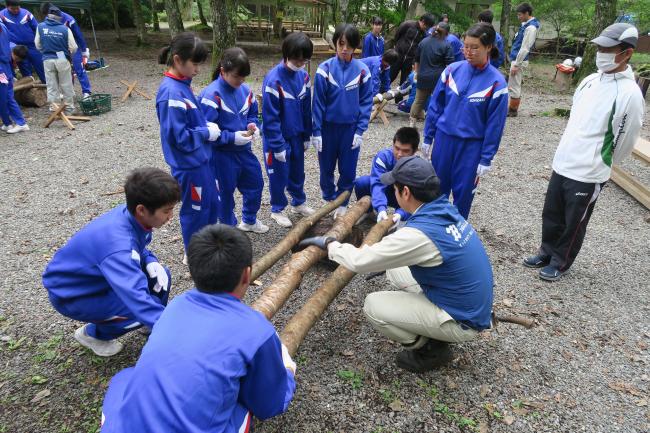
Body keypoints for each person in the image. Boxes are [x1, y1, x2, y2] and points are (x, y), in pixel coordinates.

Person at [299, 156, 494, 372]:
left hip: (464, 319)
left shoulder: (419, 235)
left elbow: (359, 261)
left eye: (395, 188)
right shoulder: (444, 209)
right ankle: (434, 326)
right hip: (469, 301)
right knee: (395, 268)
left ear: (406, 193)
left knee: (374, 305)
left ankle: (430, 349)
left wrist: (330, 245)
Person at [100, 224, 297, 432]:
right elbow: (269, 406)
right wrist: (288, 373)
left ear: (193, 271)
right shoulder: (258, 331)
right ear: (247, 275)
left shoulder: (176, 305)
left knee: (126, 378)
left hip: (122, 427)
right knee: (244, 404)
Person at [523, 23, 644, 282]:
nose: (601, 53)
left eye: (608, 49)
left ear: (627, 53)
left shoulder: (629, 93)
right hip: (564, 160)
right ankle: (546, 251)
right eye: (600, 47)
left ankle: (560, 261)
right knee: (552, 213)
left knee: (573, 221)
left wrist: (603, 162)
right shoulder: (589, 80)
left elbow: (626, 138)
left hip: (589, 171)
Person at [42, 168, 181, 357]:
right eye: (167, 211)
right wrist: (179, 335)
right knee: (137, 310)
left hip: (98, 278)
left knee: (160, 278)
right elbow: (136, 298)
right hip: (74, 294)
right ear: (142, 209)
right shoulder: (118, 248)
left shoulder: (131, 216)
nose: (170, 216)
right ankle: (92, 335)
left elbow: (137, 248)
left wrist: (149, 260)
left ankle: (153, 324)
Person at [423, 23, 508, 220]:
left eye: (474, 47)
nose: (468, 52)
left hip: (471, 147)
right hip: (444, 140)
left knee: (463, 195)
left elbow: (495, 125)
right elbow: (436, 106)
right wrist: (428, 136)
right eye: (465, 46)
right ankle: (434, 231)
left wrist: (487, 157)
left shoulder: (497, 83)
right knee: (436, 190)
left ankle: (456, 235)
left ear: (489, 47)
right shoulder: (452, 70)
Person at [156, 32, 221, 259]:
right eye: (195, 63)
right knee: (196, 210)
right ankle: (194, 254)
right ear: (177, 60)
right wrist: (206, 132)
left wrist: (205, 126)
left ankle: (208, 245)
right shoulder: (171, 93)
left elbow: (189, 122)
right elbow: (179, 137)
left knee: (212, 204)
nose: (198, 69)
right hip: (189, 165)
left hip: (201, 161)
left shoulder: (183, 84)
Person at [199, 47, 268, 233]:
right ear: (223, 71)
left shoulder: (245, 90)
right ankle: (227, 229)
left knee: (255, 183)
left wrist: (253, 127)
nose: (241, 81)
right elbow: (204, 133)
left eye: (244, 77)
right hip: (221, 155)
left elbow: (253, 114)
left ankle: (249, 220)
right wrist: (231, 138)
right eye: (237, 77)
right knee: (225, 193)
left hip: (244, 151)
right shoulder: (211, 95)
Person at [312, 23, 373, 219]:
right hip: (328, 129)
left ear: (355, 46)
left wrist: (360, 130)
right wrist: (316, 131)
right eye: (341, 44)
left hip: (350, 130)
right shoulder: (324, 69)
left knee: (348, 170)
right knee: (326, 168)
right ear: (335, 43)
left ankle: (343, 201)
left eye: (349, 45)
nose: (344, 49)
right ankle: (329, 199)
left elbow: (366, 102)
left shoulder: (363, 71)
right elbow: (318, 103)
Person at [262, 32, 316, 228]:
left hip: (297, 135)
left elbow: (306, 109)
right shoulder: (273, 80)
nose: (300, 63)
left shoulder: (303, 76)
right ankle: (277, 209)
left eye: (304, 60)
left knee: (297, 172)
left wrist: (307, 135)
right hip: (278, 139)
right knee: (278, 175)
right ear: (287, 54)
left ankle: (298, 202)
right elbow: (270, 118)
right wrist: (276, 146)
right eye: (297, 59)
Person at [354, 126, 419, 223]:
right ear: (393, 144)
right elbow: (377, 183)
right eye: (397, 148)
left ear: (414, 151)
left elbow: (416, 199)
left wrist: (401, 214)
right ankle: (368, 212)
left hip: (404, 197)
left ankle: (401, 219)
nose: (399, 154)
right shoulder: (383, 157)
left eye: (405, 151)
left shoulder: (418, 167)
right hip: (387, 190)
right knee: (362, 182)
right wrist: (381, 208)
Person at [40, 2, 92, 98]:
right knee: (65, 70)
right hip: (60, 50)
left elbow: (79, 35)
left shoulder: (69, 19)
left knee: (79, 68)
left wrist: (84, 50)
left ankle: (87, 92)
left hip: (74, 48)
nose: (47, 17)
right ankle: (69, 92)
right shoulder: (48, 20)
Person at [409, 22, 454, 127]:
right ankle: (433, 122)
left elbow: (416, 59)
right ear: (447, 33)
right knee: (438, 100)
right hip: (438, 78)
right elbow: (450, 65)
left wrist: (416, 72)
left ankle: (412, 122)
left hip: (422, 76)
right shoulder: (446, 45)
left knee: (419, 100)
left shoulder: (424, 41)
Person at [35, 5, 77, 114]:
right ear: (59, 17)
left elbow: (37, 44)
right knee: (66, 84)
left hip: (47, 59)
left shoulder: (40, 27)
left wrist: (45, 51)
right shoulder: (65, 29)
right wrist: (68, 54)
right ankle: (69, 108)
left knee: (51, 85)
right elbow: (74, 47)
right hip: (62, 57)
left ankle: (55, 108)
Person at [0, 0, 45, 83]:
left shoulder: (26, 13)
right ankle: (30, 89)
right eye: (13, 9)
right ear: (7, 7)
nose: (16, 10)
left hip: (32, 46)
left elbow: (37, 29)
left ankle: (47, 86)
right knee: (25, 70)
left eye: (18, 8)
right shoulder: (2, 16)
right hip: (17, 49)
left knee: (40, 65)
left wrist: (41, 42)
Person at [507, 2, 539, 117]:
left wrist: (516, 64)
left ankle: (512, 110)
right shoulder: (525, 25)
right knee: (513, 83)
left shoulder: (531, 28)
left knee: (515, 85)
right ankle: (512, 108)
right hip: (516, 59)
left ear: (527, 13)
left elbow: (525, 48)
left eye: (520, 14)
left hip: (519, 61)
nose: (518, 17)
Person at [390, 13, 436, 86]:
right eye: (426, 26)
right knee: (390, 77)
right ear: (423, 21)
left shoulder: (424, 34)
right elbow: (397, 36)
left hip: (409, 61)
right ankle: (380, 94)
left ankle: (399, 97)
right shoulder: (408, 24)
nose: (426, 29)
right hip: (398, 56)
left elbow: (419, 48)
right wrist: (396, 49)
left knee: (404, 83)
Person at [0, 20, 28, 133]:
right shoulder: (2, 26)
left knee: (5, 97)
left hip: (2, 67)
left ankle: (20, 123)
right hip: (4, 65)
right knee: (4, 97)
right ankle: (7, 123)